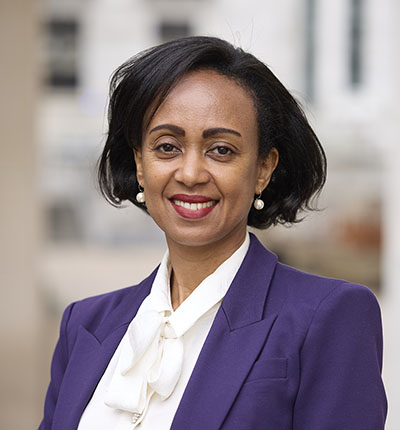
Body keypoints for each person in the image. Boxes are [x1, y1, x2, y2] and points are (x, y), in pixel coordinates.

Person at [39, 36, 387, 430]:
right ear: (140, 163)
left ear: (263, 169)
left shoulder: (329, 316)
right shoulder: (84, 323)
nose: (190, 174)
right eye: (167, 147)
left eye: (221, 150)